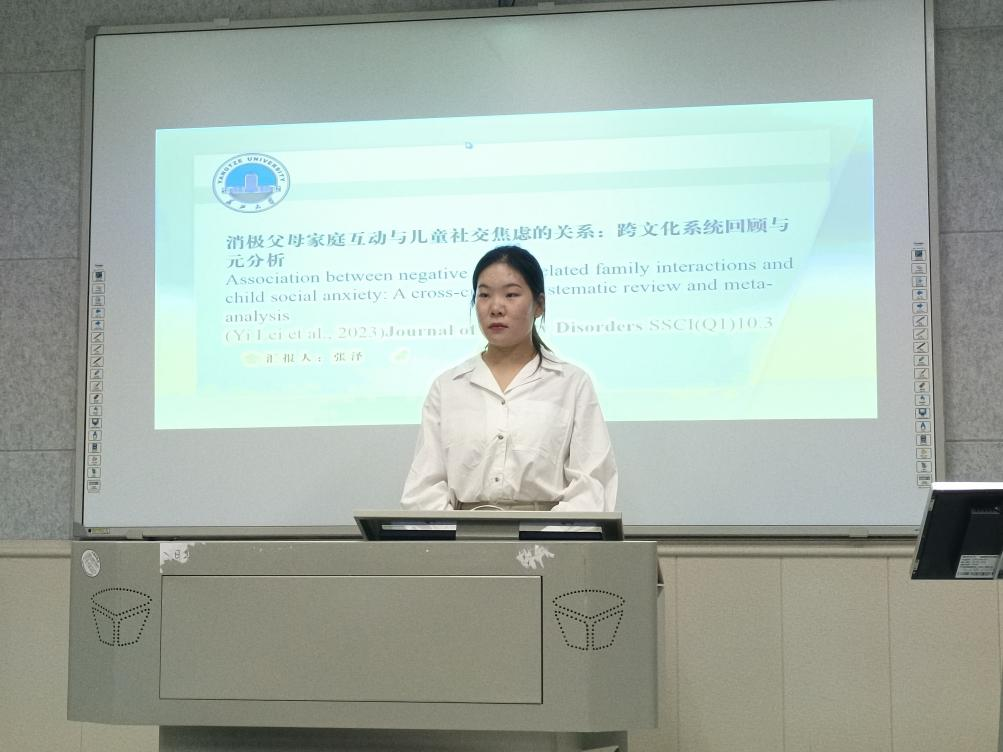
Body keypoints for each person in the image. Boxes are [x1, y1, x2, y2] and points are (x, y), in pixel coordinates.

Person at [400, 245, 617, 512]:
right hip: (462, 532)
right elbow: (423, 487)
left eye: (511, 294)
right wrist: (456, 534)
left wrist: (547, 534)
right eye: (484, 295)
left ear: (539, 305)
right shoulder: (448, 386)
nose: (496, 307)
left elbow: (592, 485)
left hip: (550, 532)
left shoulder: (571, 383)